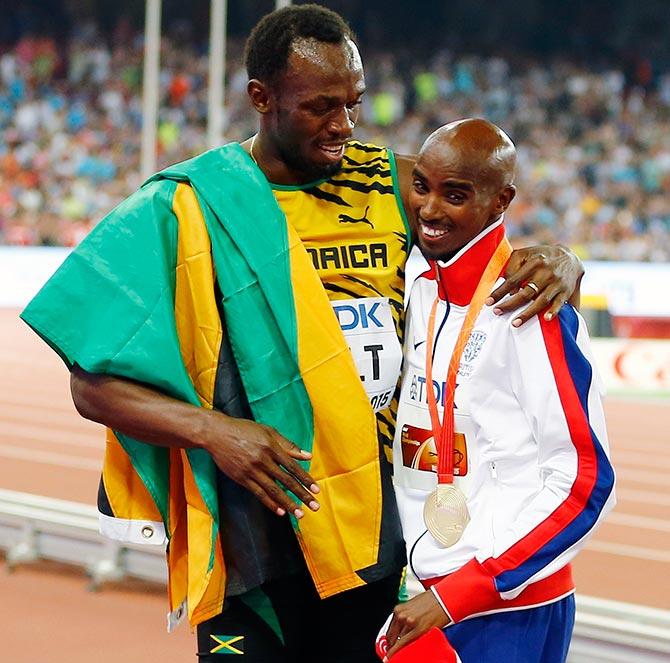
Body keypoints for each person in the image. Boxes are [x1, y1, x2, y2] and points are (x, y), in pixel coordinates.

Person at [20, 6, 584, 663]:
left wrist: (563, 257)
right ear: (261, 97)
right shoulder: (191, 204)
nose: (344, 125)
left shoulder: (396, 186)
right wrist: (214, 431)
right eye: (321, 106)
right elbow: (92, 385)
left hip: (373, 544)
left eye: (353, 103)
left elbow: (488, 232)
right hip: (252, 546)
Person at [375, 119, 615, 663]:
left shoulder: (531, 306)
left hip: (504, 608)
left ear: (499, 200)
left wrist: (460, 593)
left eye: (455, 195)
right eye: (422, 188)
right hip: (422, 594)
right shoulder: (415, 278)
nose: (431, 210)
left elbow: (587, 480)